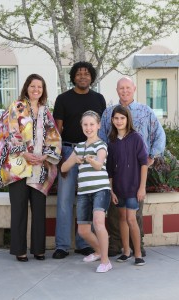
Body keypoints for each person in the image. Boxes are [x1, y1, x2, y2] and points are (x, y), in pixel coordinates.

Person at [0, 74, 61, 262]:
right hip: (18, 166)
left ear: (43, 90)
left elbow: (53, 136)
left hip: (39, 166)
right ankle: (19, 250)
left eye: (39, 87)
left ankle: (39, 249)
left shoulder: (45, 111)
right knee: (19, 208)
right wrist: (24, 153)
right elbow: (8, 132)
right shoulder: (17, 107)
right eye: (33, 86)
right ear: (27, 87)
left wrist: (45, 155)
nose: (36, 90)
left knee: (39, 208)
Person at [99, 76, 166, 257]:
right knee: (115, 212)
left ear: (134, 88)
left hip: (138, 171)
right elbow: (101, 139)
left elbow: (160, 135)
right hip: (116, 170)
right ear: (117, 90)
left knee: (135, 211)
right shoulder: (108, 113)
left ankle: (138, 245)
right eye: (121, 88)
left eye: (128, 88)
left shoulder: (146, 112)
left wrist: (151, 155)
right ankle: (115, 244)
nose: (125, 91)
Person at [52, 61, 106, 259]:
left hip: (92, 153)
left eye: (86, 74)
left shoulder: (99, 99)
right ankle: (62, 246)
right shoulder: (63, 99)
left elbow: (102, 128)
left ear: (91, 77)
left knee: (87, 198)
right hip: (69, 151)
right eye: (79, 74)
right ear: (73, 77)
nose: (83, 77)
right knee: (65, 200)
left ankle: (84, 243)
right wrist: (58, 157)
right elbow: (57, 131)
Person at [61, 110, 112, 272]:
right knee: (83, 231)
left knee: (98, 223)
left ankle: (105, 261)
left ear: (98, 126)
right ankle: (98, 251)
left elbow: (99, 164)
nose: (88, 128)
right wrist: (74, 160)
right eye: (85, 124)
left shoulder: (101, 145)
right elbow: (63, 167)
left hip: (101, 190)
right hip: (84, 192)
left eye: (91, 124)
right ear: (81, 126)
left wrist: (91, 160)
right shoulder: (79, 147)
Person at [107, 105, 148, 266]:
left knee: (131, 219)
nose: (119, 121)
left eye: (122, 118)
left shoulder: (136, 138)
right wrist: (111, 191)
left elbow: (144, 163)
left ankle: (138, 254)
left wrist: (142, 187)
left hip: (133, 187)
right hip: (118, 188)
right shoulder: (111, 142)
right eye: (116, 118)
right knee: (122, 219)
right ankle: (126, 252)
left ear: (127, 119)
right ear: (112, 120)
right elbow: (109, 170)